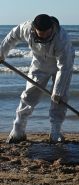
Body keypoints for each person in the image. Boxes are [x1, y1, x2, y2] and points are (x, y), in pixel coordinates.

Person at [0, 14, 75, 143]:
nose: (44, 37)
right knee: (28, 96)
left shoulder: (62, 39)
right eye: (41, 35)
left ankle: (55, 131)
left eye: (47, 34)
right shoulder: (26, 28)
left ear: (52, 28)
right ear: (34, 29)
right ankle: (18, 129)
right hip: (39, 64)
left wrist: (57, 92)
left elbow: (64, 68)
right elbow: (11, 37)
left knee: (60, 98)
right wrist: (1, 54)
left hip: (61, 67)